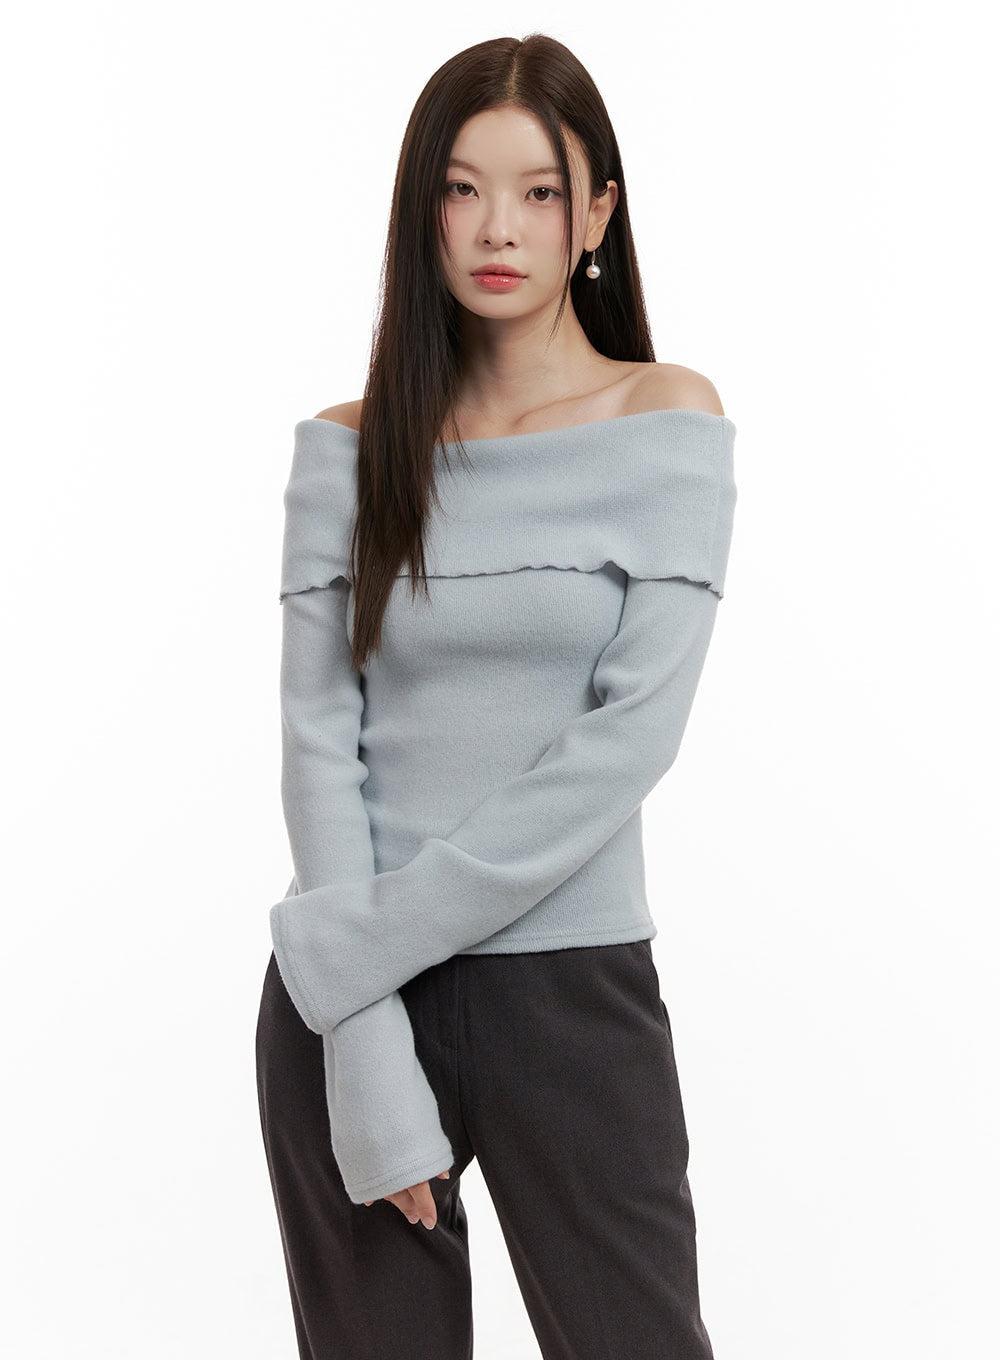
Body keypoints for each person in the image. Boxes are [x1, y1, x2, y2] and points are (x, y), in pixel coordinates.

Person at [255, 31, 736, 1360]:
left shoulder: (666, 423)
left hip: (566, 998)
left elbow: (626, 744)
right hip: (351, 1011)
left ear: (598, 214)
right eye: (461, 190)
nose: (498, 229)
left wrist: (361, 942)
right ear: (423, 213)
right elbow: (317, 739)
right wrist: (359, 1033)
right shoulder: (348, 448)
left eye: (538, 191)